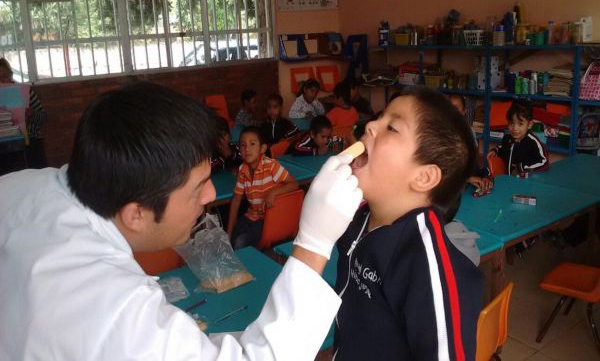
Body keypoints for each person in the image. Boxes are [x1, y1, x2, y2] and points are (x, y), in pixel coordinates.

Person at [0, 82, 364, 360]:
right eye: (197, 188)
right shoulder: (118, 314)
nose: (210, 197)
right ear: (136, 213)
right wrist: (314, 243)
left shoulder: (17, 188)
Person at [334, 86, 483, 360]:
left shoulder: (426, 267)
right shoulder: (356, 221)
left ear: (423, 177)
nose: (370, 125)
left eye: (392, 127)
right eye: (379, 116)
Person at [227, 126, 299, 249]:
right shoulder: (242, 170)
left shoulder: (271, 166)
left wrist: (274, 192)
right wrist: (228, 234)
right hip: (253, 217)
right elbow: (236, 200)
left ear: (262, 148)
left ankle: (249, 266)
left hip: (271, 220)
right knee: (232, 238)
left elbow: (294, 184)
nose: (247, 148)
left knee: (240, 242)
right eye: (242, 145)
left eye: (252, 144)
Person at [0, 57, 47, 169]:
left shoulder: (24, 91)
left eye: (4, 76)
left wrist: (30, 113)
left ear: (10, 75)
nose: (2, 81)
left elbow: (44, 117)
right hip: (4, 143)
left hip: (29, 140)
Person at [490, 100, 549, 176]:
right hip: (510, 180)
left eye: (520, 124)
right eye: (511, 123)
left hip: (527, 183)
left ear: (529, 124)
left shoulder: (533, 142)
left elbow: (544, 162)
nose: (515, 128)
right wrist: (496, 151)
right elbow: (503, 148)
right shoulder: (507, 138)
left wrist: (522, 167)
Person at [448, 94, 493, 192]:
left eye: (456, 108)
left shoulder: (468, 131)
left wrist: (485, 177)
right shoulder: (441, 135)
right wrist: (468, 179)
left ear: (464, 111)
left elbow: (474, 161)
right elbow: (445, 171)